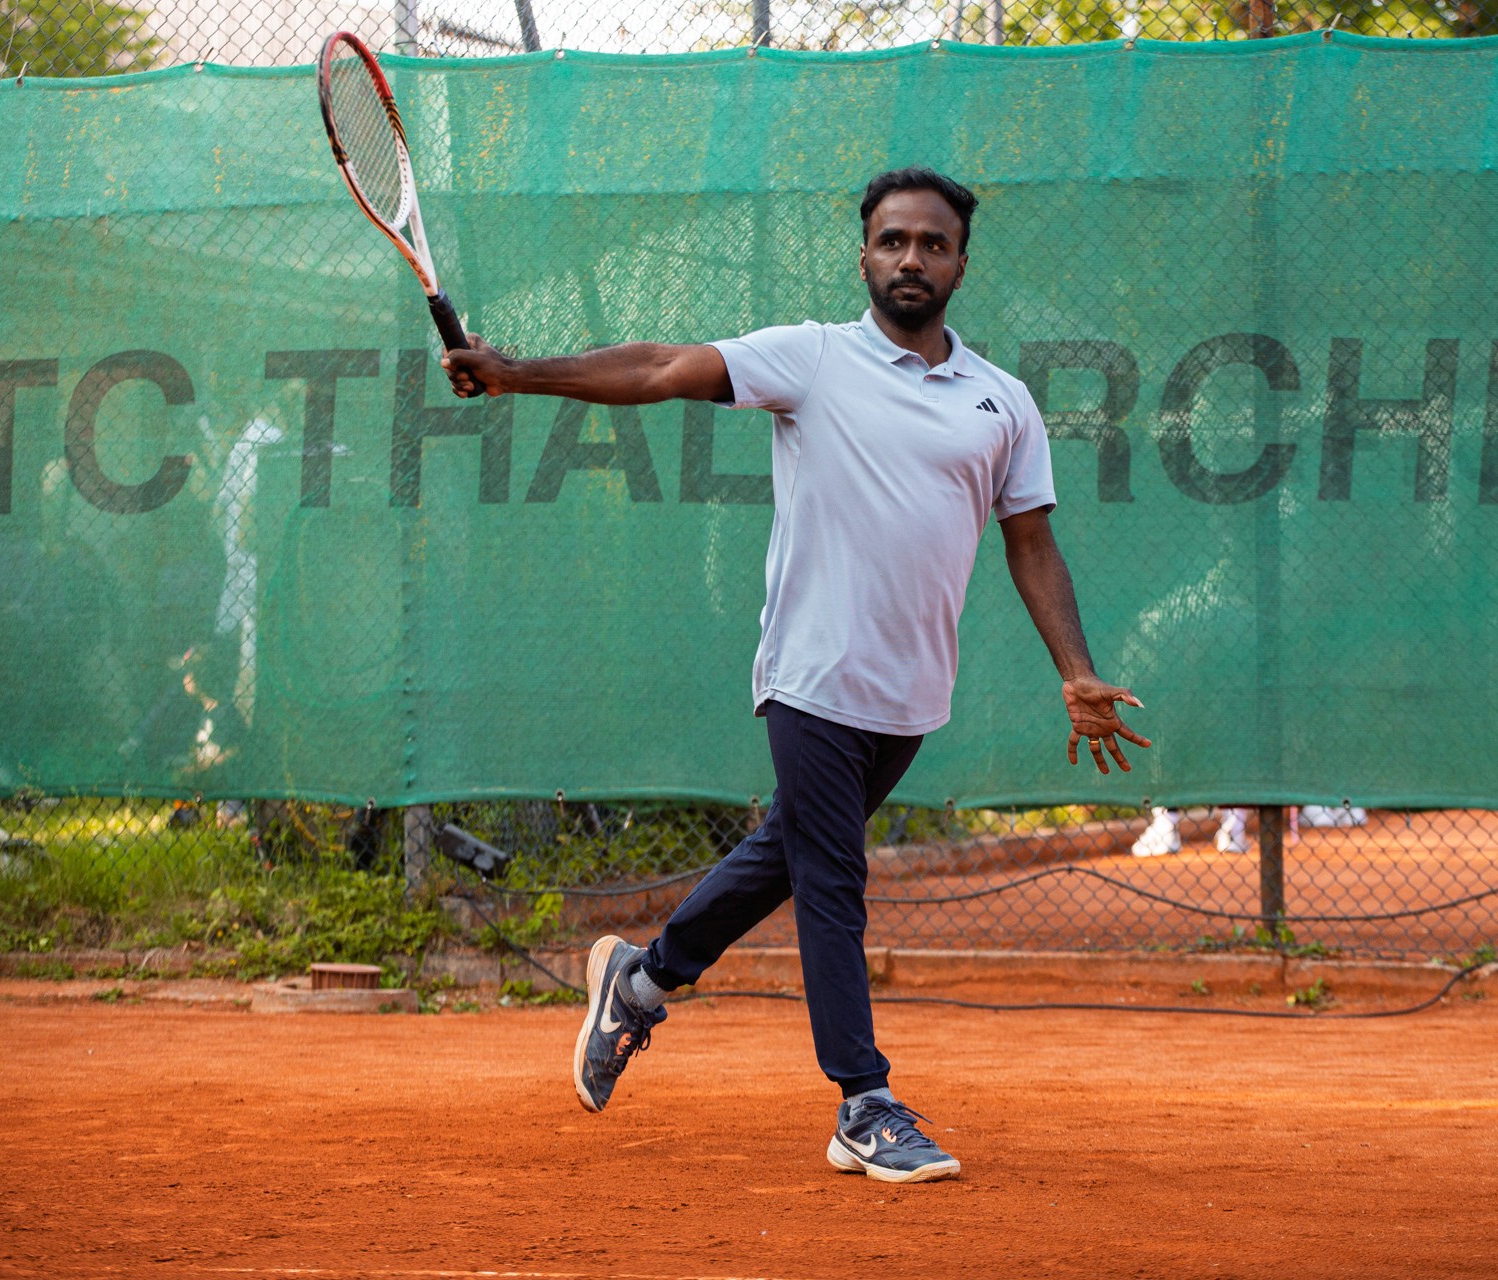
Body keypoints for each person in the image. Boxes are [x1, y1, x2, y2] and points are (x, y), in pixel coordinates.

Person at [443, 167, 1150, 1184]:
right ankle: (864, 1099)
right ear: (864, 253)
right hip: (813, 671)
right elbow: (657, 367)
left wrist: (1075, 669)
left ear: (960, 261)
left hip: (911, 693)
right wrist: (519, 374)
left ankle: (640, 981)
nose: (911, 257)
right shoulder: (812, 359)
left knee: (785, 851)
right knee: (831, 876)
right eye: (892, 240)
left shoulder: (1003, 400)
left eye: (932, 243)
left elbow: (1030, 541)